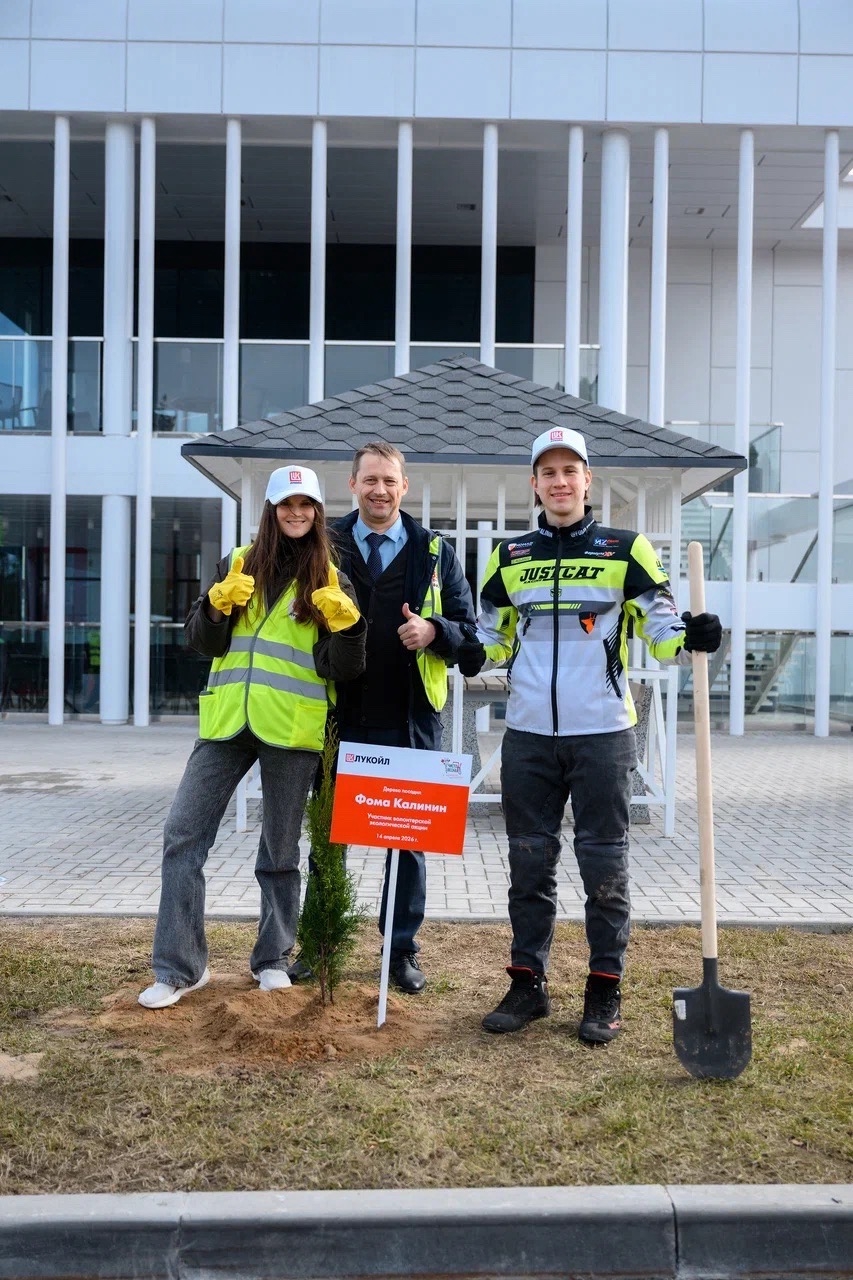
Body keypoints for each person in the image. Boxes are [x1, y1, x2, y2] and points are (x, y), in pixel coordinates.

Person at [475, 427, 722, 1044]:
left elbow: (661, 630)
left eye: (571, 471)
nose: (560, 481)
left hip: (604, 735)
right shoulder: (509, 556)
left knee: (603, 864)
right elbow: (490, 638)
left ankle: (604, 989)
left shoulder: (626, 548)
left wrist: (690, 636)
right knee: (528, 863)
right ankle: (527, 983)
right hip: (528, 734)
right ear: (534, 484)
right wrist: (456, 643)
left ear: (588, 480)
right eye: (548, 472)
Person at [138, 465, 366, 1009]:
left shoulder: (331, 578)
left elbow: (344, 668)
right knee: (182, 834)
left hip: (290, 726)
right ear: (270, 510)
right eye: (286, 504)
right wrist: (215, 607)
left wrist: (350, 627)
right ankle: (178, 969)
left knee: (280, 851)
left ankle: (272, 960)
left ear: (317, 512)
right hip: (226, 724)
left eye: (305, 505)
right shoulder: (237, 563)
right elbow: (203, 641)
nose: (296, 513)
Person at [290, 440, 480, 994]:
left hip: (409, 720)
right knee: (328, 836)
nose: (379, 490)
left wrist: (434, 630)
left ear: (404, 487)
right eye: (369, 480)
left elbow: (472, 640)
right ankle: (320, 943)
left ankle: (400, 951)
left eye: (389, 481)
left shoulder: (435, 552)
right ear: (352, 485)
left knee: (408, 842)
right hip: (338, 718)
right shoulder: (322, 545)